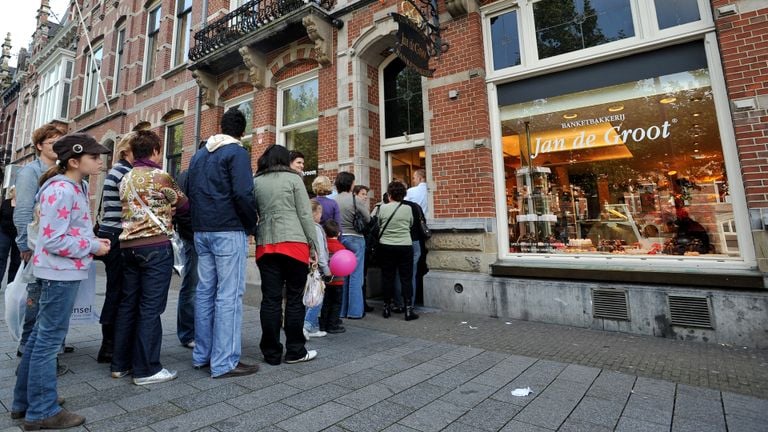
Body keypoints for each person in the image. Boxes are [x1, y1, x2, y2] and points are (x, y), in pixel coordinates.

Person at [12, 133, 111, 430]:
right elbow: (54, 239)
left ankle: (24, 402)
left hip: (56, 271)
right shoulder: (63, 190)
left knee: (38, 339)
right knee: (47, 341)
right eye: (93, 157)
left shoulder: (67, 186)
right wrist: (93, 247)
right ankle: (42, 411)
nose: (99, 161)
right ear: (74, 161)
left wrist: (91, 239)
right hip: (59, 273)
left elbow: (66, 230)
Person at [111, 130, 189, 385]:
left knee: (128, 304)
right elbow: (183, 203)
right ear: (156, 150)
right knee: (150, 307)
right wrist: (169, 205)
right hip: (155, 246)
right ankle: (146, 369)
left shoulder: (125, 177)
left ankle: (120, 364)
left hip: (128, 247)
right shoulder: (160, 175)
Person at [187, 107, 259, 378]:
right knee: (229, 295)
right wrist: (251, 223)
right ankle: (225, 361)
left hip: (201, 230)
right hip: (228, 230)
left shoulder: (199, 155)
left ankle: (202, 355)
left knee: (205, 292)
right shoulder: (237, 152)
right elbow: (243, 192)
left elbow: (189, 191)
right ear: (242, 131)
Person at [13, 124, 74, 365]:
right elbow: (24, 210)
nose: (58, 147)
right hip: (38, 245)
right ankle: (27, 345)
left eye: (61, 142)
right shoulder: (30, 172)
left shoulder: (62, 170)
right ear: (39, 146)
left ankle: (55, 343)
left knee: (53, 299)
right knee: (36, 296)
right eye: (52, 143)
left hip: (59, 245)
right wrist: (24, 245)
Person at [254, 144, 318, 365]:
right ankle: (295, 351)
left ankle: (271, 353)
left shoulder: (256, 181)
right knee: (294, 299)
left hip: (266, 245)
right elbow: (305, 215)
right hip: (294, 244)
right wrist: (314, 246)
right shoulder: (294, 180)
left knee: (270, 300)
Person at [95, 133, 135, 364]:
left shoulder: (116, 171)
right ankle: (109, 346)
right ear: (126, 152)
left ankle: (110, 343)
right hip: (117, 235)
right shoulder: (124, 173)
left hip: (111, 233)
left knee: (116, 288)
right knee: (117, 290)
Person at [173, 140, 206, 350]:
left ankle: (195, 331)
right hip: (193, 236)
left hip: (197, 234)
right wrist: (193, 231)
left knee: (198, 284)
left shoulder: (190, 173)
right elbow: (181, 208)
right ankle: (187, 333)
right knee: (192, 285)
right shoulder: (189, 175)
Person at [378, 181, 418, 321]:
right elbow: (411, 224)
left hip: (386, 246)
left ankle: (386, 307)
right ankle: (408, 310)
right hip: (404, 246)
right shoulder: (407, 209)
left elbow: (379, 224)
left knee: (387, 277)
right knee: (406, 278)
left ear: (389, 195)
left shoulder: (382, 208)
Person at [334, 171, 369, 319]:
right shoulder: (355, 200)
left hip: (340, 238)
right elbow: (367, 218)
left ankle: (341, 311)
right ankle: (354, 311)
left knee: (343, 276)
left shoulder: (334, 200)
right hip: (356, 239)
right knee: (356, 276)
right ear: (351, 184)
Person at [393, 196, 427, 312]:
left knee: (398, 272)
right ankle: (410, 304)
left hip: (398, 241)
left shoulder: (392, 207)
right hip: (414, 241)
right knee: (411, 273)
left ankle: (398, 303)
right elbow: (421, 222)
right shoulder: (414, 206)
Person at [304, 199, 329, 339]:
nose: (321, 216)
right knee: (317, 297)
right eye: (320, 213)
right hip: (316, 267)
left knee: (310, 295)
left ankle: (313, 328)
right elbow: (320, 251)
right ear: (314, 213)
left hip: (306, 265)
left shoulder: (303, 226)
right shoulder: (317, 228)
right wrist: (326, 269)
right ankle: (307, 325)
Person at [320, 219, 346, 334]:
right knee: (336, 303)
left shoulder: (324, 246)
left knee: (326, 303)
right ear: (338, 233)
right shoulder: (341, 248)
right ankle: (333, 324)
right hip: (338, 281)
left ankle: (323, 324)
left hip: (325, 280)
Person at [353, 185, 374, 313]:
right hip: (360, 243)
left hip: (363, 244)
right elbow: (369, 223)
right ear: (355, 194)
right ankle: (361, 304)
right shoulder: (357, 207)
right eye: (362, 194)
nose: (365, 196)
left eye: (366, 194)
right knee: (360, 276)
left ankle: (361, 303)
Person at [0, 185, 21, 285]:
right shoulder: (6, 203)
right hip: (4, 233)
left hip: (18, 235)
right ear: (12, 192)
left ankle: (11, 285)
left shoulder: (24, 205)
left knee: (16, 261)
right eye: (15, 191)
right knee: (1, 258)